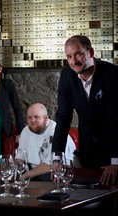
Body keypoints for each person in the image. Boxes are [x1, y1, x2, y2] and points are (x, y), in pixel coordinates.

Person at [52, 35, 118, 185]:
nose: (73, 61)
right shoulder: (66, 76)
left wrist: (116, 161)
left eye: (78, 54)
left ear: (91, 52)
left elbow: (115, 120)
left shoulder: (112, 74)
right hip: (88, 148)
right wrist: (57, 157)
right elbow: (63, 117)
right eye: (69, 56)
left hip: (113, 147)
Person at [15, 103, 76, 181]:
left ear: (46, 118)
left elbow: (51, 163)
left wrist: (26, 175)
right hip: (33, 171)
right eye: (29, 118)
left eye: (36, 117)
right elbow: (20, 157)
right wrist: (14, 168)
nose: (32, 121)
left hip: (60, 171)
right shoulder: (25, 131)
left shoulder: (56, 132)